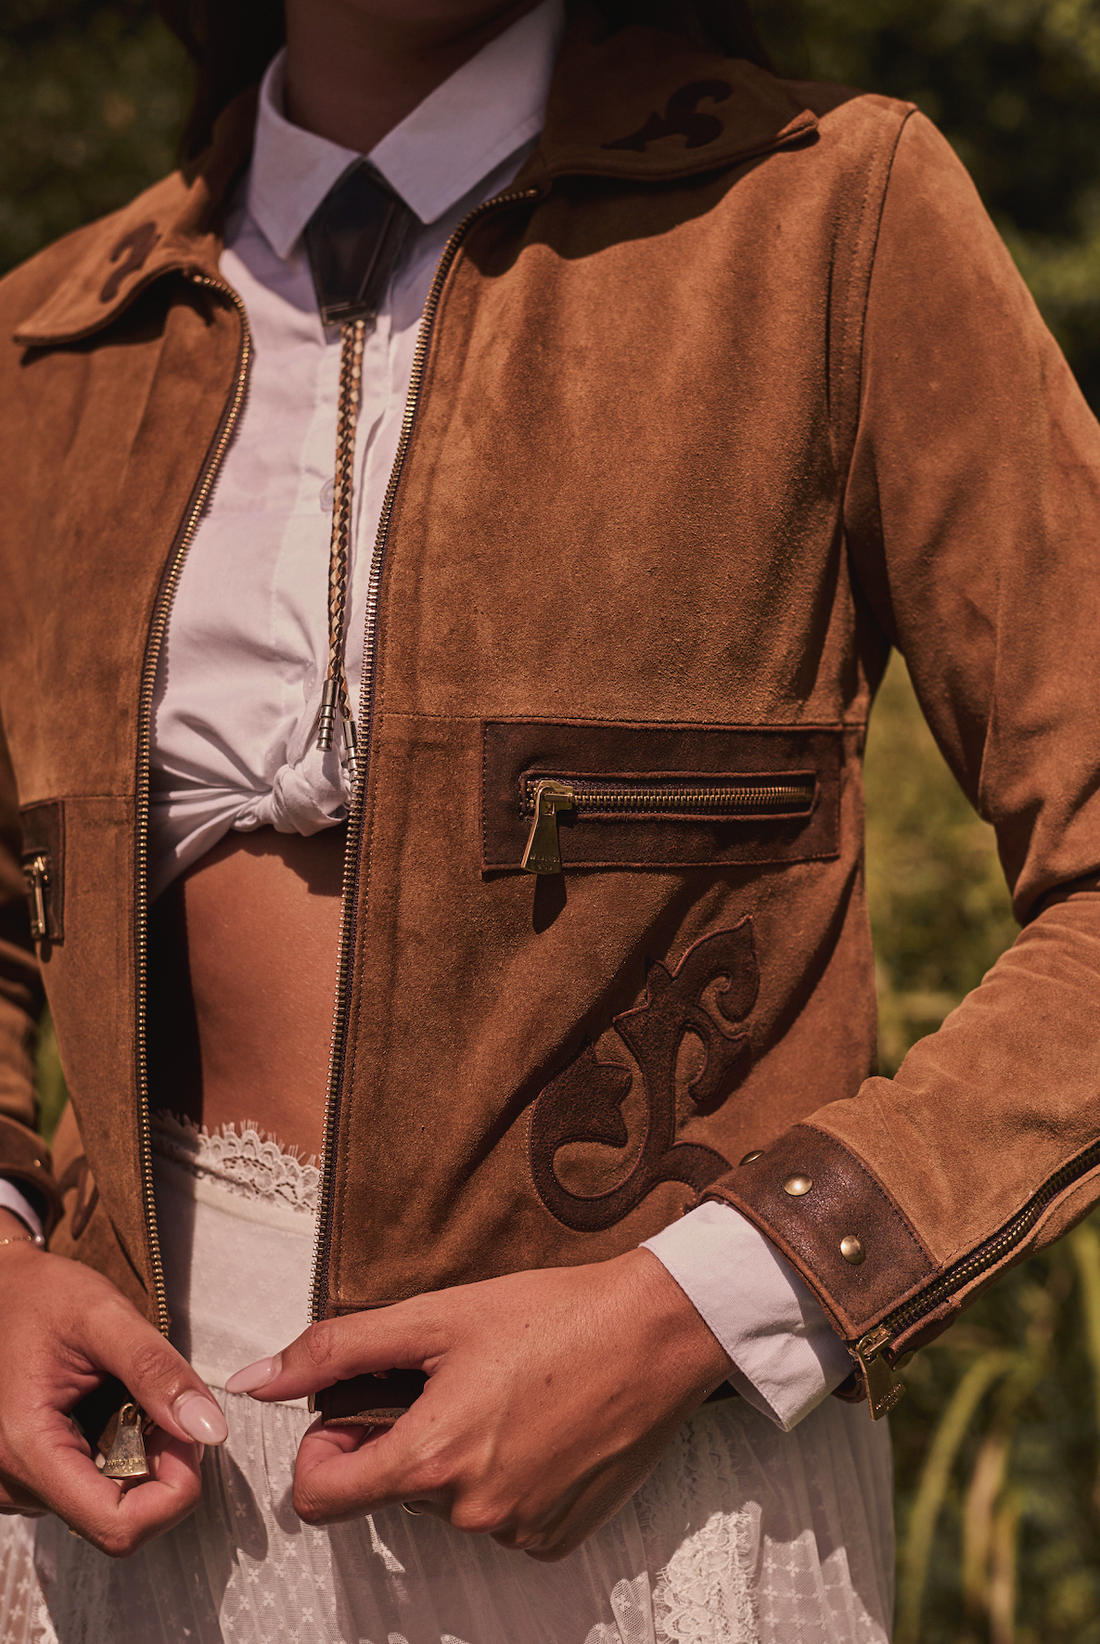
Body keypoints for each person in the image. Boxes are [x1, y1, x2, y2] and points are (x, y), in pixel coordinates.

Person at [0, 0, 1098, 1639]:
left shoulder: (828, 211)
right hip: (119, 1496)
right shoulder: (51, 339)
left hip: (641, 1494)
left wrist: (708, 1305)